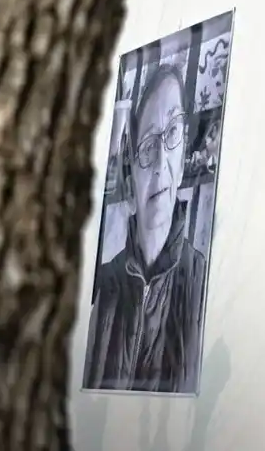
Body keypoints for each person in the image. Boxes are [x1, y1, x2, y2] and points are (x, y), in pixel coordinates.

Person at [84, 62, 208, 393]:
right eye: (147, 146)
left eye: (171, 134)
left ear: (183, 159)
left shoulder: (198, 278)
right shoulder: (105, 283)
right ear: (132, 180)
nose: (159, 162)